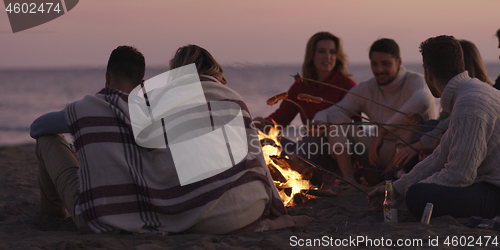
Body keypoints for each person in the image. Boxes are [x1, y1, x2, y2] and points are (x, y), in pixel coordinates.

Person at [30, 45, 296, 234]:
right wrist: (277, 211)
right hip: (245, 212)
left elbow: (38, 126)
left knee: (47, 140)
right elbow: (258, 158)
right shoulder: (235, 99)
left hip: (187, 217)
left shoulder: (153, 104)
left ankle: (52, 213)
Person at [369, 35, 500, 220]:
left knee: (417, 196)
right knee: (415, 191)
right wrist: (395, 189)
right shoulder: (471, 92)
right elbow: (439, 157)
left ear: (428, 74)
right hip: (488, 186)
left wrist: (413, 188)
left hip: (495, 193)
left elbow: (460, 176)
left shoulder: (468, 105)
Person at [313, 38, 435, 185]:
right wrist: (318, 121)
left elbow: (422, 100)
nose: (379, 70)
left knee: (413, 121)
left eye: (385, 63)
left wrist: (382, 131)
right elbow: (333, 111)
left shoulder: (414, 81)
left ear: (399, 62)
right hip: (378, 153)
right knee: (336, 117)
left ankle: (387, 174)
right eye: (374, 64)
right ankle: (349, 180)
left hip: (414, 152)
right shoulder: (367, 88)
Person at [254, 32, 357, 169]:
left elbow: (356, 127)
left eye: (332, 52)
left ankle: (292, 165)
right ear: (311, 55)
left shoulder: (347, 86)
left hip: (335, 154)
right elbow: (281, 117)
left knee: (314, 135)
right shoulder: (301, 86)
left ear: (337, 57)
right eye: (321, 51)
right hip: (307, 149)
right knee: (263, 140)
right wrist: (259, 126)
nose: (327, 57)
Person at [392, 39, 494, 169]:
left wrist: (423, 145)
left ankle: (397, 173)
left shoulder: (469, 101)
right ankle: (397, 174)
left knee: (416, 188)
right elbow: (445, 124)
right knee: (428, 125)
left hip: (483, 177)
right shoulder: (473, 93)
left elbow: (460, 172)